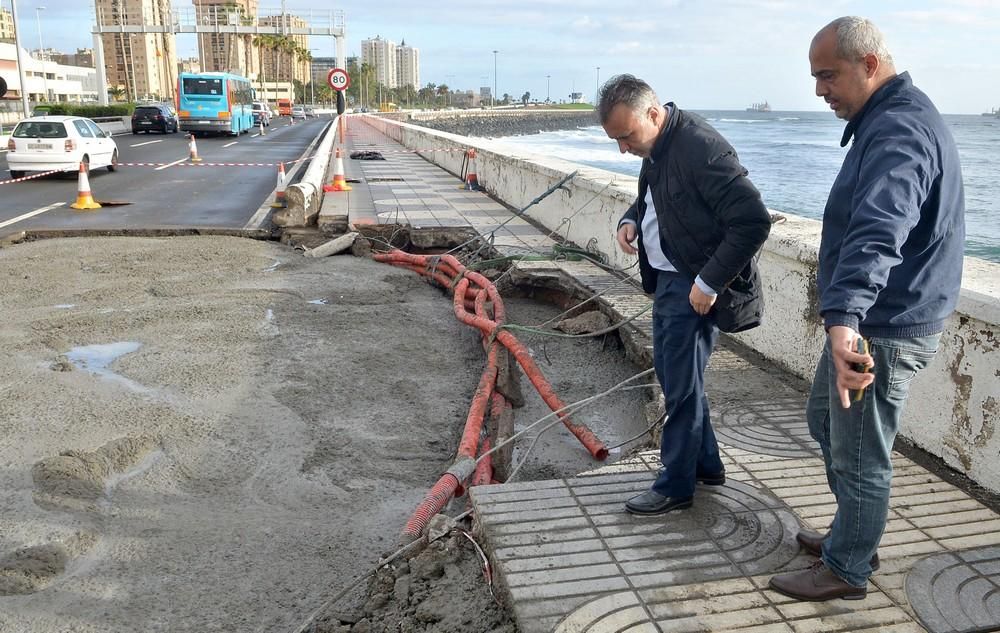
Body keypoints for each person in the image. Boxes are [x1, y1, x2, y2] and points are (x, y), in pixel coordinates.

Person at [768, 16, 965, 601]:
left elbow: (879, 231)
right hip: (874, 316)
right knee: (826, 423)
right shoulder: (884, 119)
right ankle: (853, 531)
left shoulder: (900, 129)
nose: (819, 89)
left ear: (869, 65)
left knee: (861, 451)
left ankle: (849, 568)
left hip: (884, 323)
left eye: (828, 75)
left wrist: (845, 321)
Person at [598, 74, 771, 516]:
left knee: (678, 387)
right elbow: (655, 199)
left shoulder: (701, 148)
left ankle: (676, 485)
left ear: (654, 114)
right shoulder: (657, 145)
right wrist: (630, 218)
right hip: (671, 279)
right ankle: (707, 465)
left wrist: (708, 283)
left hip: (693, 286)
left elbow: (753, 220)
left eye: (626, 137)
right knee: (682, 380)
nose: (623, 149)